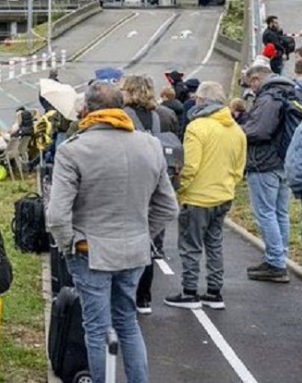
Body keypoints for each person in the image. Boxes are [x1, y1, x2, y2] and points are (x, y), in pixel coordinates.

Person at [46, 82, 178, 383]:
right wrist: (144, 234)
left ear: (87, 110)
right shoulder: (150, 145)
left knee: (96, 328)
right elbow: (168, 206)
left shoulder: (73, 150)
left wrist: (68, 245)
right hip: (134, 250)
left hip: (89, 250)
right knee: (127, 322)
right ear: (122, 108)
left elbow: (56, 214)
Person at [164, 81, 247, 310]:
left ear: (201, 100)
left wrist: (180, 188)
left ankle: (189, 291)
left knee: (190, 246)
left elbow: (190, 166)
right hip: (223, 194)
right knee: (215, 244)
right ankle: (214, 291)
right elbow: (239, 167)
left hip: (198, 196)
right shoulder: (236, 130)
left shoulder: (197, 127)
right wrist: (228, 183)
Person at [120, 73, 180, 314]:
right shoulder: (163, 115)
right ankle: (145, 296)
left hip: (132, 175)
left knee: (129, 235)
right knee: (148, 241)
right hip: (158, 173)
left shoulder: (123, 115)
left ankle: (129, 293)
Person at [240, 62, 294, 283]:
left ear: (256, 80)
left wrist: (237, 131)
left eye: (251, 85)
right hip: (284, 161)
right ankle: (280, 256)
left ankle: (275, 262)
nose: (251, 90)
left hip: (264, 163)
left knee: (266, 213)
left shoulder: (268, 97)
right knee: (281, 213)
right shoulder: (288, 92)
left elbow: (259, 131)